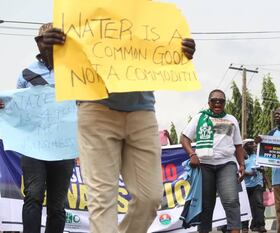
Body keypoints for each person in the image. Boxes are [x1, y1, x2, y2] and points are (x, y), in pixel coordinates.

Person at [40, 25, 196, 232]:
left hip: (142, 111)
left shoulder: (144, 16)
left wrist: (180, 54)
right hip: (95, 109)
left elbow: (161, 58)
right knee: (102, 200)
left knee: (149, 198)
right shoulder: (82, 14)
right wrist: (51, 49)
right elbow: (61, 64)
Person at [0, 23, 76, 233]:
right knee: (33, 196)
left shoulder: (74, 73)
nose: (49, 44)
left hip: (63, 149)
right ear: (38, 43)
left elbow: (85, 105)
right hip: (33, 147)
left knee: (57, 204)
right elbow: (17, 107)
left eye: (54, 39)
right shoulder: (26, 74)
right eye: (45, 39)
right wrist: (4, 106)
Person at [180, 89, 245, 233]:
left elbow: (238, 145)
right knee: (206, 205)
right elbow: (184, 138)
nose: (217, 103)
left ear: (224, 103)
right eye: (214, 100)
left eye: (221, 101)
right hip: (204, 165)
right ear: (209, 102)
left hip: (226, 164)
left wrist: (241, 165)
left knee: (231, 201)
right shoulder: (199, 118)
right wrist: (192, 154)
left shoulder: (231, 119)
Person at [242, 138, 267, 233]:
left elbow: (263, 169)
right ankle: (244, 226)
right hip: (245, 185)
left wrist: (261, 169)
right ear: (245, 146)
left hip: (257, 184)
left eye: (254, 144)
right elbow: (239, 170)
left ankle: (261, 225)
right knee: (245, 206)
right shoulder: (241, 157)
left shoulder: (257, 156)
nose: (254, 145)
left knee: (259, 204)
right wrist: (248, 173)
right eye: (251, 144)